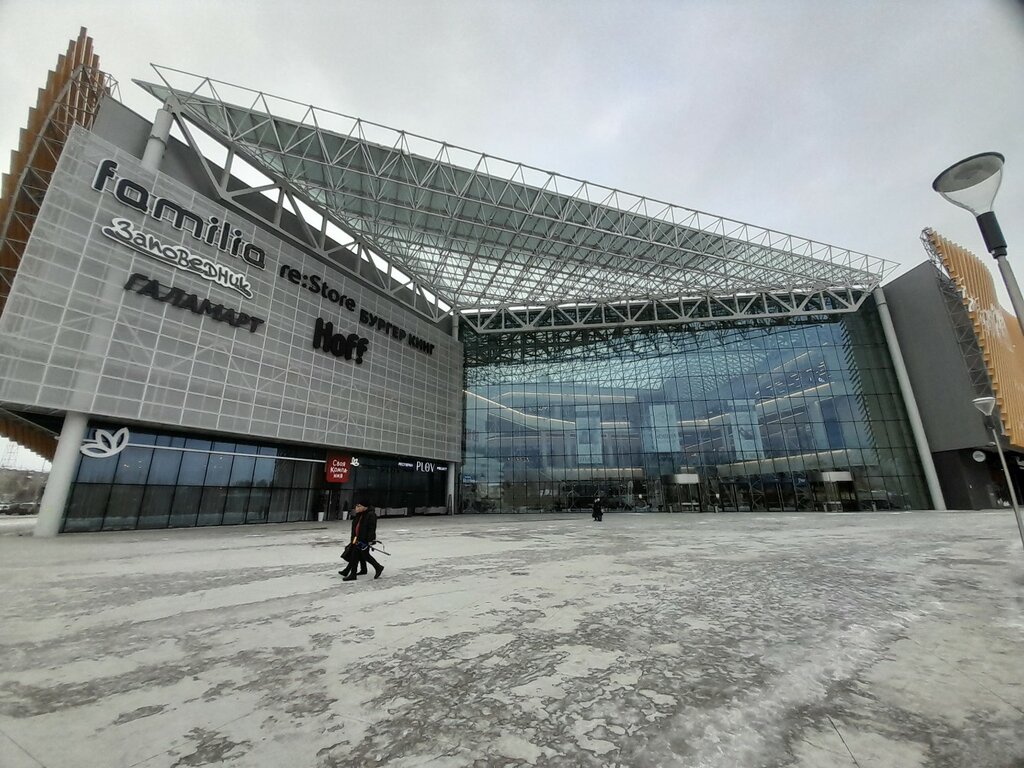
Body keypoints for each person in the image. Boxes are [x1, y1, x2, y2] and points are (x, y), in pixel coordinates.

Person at [339, 502, 384, 580]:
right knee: (358, 555)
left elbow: (371, 529)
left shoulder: (370, 515)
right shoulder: (359, 514)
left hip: (364, 540)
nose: (357, 508)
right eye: (356, 506)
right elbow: (356, 528)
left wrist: (370, 540)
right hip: (357, 539)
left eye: (359, 506)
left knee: (362, 556)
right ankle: (358, 571)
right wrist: (353, 539)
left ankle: (377, 567)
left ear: (365, 507)